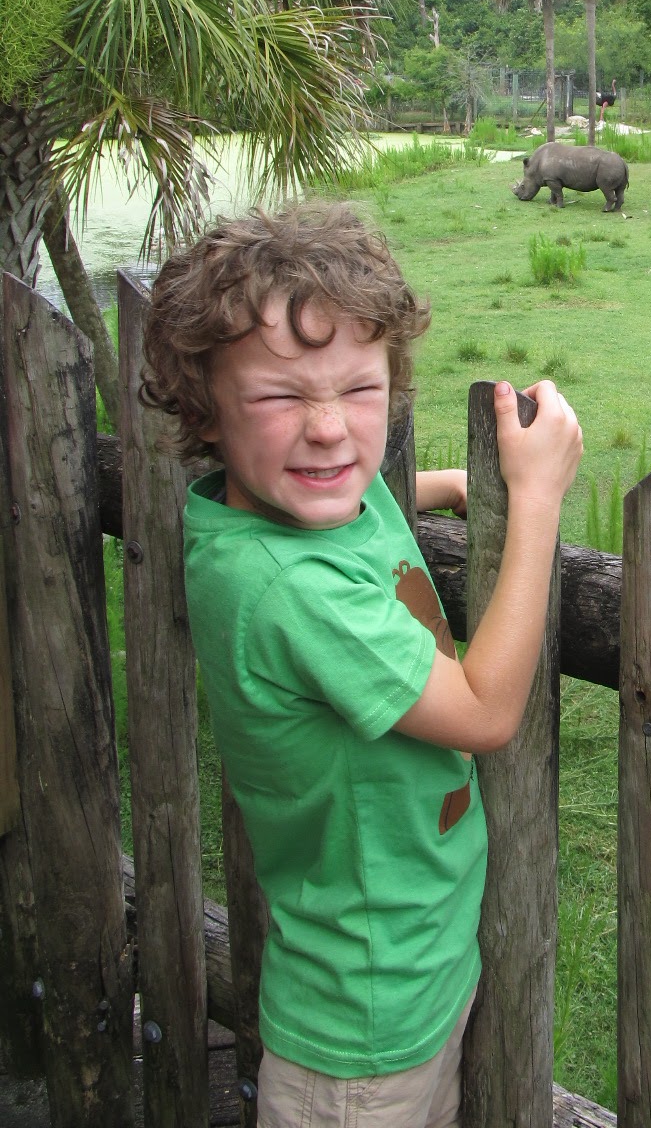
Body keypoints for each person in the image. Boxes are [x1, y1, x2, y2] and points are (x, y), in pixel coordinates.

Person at [140, 201, 583, 1128]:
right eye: (278, 397)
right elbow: (486, 711)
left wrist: (456, 486)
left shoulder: (279, 506)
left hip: (409, 968)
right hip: (363, 1025)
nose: (331, 431)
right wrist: (534, 501)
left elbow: (367, 495)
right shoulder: (286, 589)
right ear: (204, 411)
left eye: (361, 390)